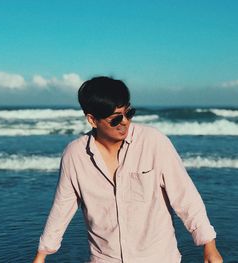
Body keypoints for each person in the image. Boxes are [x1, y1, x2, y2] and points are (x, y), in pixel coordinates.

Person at [33, 76, 223, 263]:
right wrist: (42, 255)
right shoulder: (75, 155)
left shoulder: (153, 142)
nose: (124, 122)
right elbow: (61, 208)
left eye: (128, 113)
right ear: (92, 120)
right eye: (115, 119)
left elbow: (185, 196)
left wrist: (209, 245)